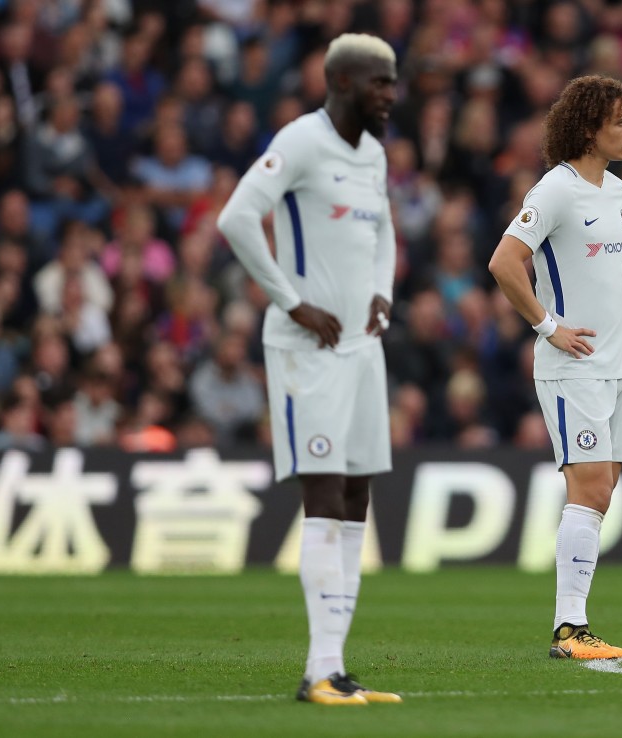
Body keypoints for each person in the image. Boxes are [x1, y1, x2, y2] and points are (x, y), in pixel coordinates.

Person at [216, 33, 400, 706]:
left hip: (362, 347)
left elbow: (383, 232)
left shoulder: (374, 155)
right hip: (307, 352)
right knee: (322, 493)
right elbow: (236, 218)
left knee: (356, 497)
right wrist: (291, 303)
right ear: (344, 82)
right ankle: (318, 670)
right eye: (380, 82)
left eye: (393, 81)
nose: (391, 93)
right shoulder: (299, 141)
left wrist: (384, 291)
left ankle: (336, 668)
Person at [488, 75, 622, 660]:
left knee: (603, 492)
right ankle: (569, 630)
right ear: (589, 127)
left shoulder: (617, 192)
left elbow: (598, 269)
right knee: (592, 485)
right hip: (570, 365)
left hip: (616, 365)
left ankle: (574, 626)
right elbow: (505, 262)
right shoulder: (556, 189)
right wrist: (548, 326)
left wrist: (621, 316)